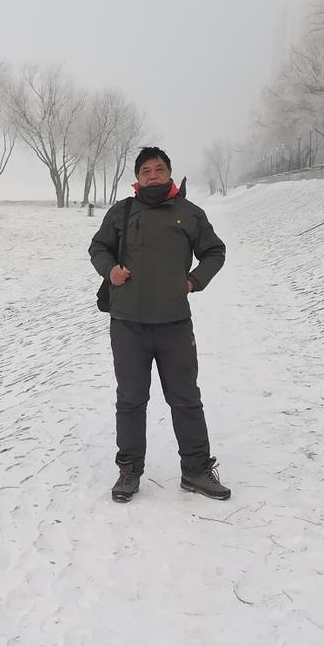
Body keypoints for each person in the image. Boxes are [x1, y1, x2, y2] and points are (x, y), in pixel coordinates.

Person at [89, 146, 229, 504]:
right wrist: (110, 270)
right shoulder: (122, 211)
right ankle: (129, 470)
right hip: (128, 325)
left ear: (169, 173)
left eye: (159, 170)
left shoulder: (189, 213)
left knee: (186, 398)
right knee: (131, 400)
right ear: (138, 177)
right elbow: (98, 248)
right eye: (146, 171)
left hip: (174, 324)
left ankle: (195, 470)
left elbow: (215, 251)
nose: (153, 176)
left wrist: (194, 281)